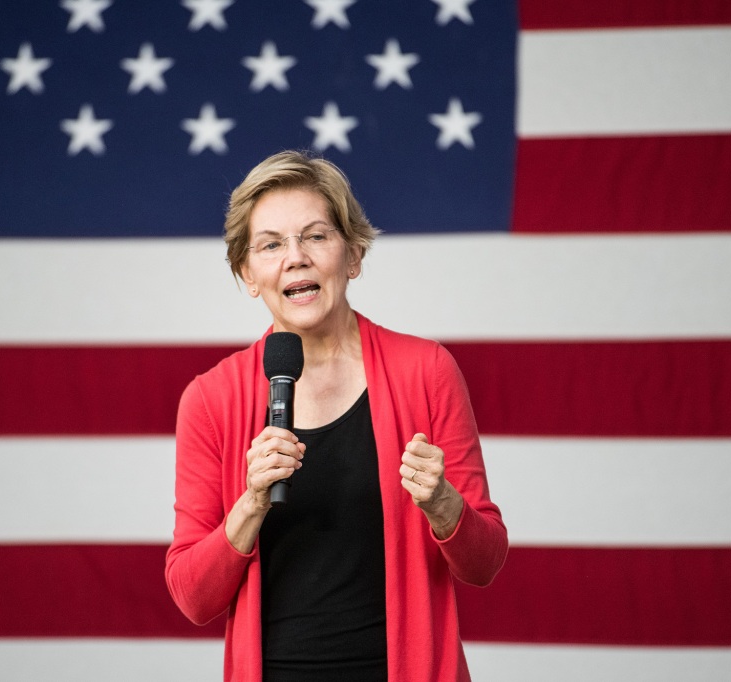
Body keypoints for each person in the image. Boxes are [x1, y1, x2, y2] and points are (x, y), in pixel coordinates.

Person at [165, 150, 508, 682]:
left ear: (353, 257)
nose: (295, 257)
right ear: (248, 274)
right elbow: (192, 598)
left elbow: (484, 565)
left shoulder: (427, 371)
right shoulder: (212, 399)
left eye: (316, 236)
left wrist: (442, 503)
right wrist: (251, 503)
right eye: (271, 245)